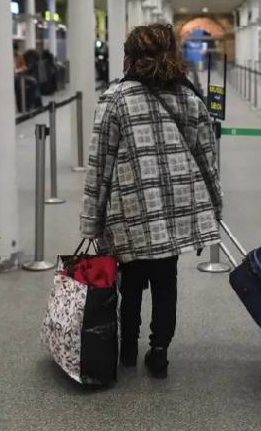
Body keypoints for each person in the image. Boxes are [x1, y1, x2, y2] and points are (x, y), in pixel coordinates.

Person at [80, 23, 223, 379]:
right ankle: (159, 351)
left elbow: (100, 164)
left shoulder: (115, 98)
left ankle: (128, 349)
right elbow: (206, 157)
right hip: (175, 210)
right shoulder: (188, 97)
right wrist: (214, 205)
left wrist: (91, 221)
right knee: (165, 282)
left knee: (130, 284)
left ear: (129, 57)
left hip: (130, 211)